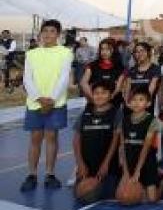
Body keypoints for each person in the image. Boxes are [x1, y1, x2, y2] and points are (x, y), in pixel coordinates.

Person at [20, 19, 73, 192]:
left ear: (58, 34)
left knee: (51, 137)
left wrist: (51, 99)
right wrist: (38, 98)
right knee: (35, 138)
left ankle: (50, 174)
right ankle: (32, 174)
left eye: (52, 31)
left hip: (56, 103)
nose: (48, 34)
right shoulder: (32, 54)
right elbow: (27, 78)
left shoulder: (65, 52)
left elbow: (64, 77)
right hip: (35, 103)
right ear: (40, 33)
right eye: (45, 31)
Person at [73, 80, 121, 195]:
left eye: (103, 93)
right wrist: (80, 164)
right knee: (82, 194)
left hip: (108, 166)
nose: (99, 96)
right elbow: (76, 140)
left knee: (107, 193)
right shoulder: (84, 114)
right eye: (96, 93)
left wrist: (106, 163)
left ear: (110, 95)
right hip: (87, 166)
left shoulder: (117, 113)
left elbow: (116, 140)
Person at [119, 87, 162, 202]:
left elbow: (146, 147)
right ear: (129, 102)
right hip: (130, 161)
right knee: (123, 197)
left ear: (148, 103)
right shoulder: (124, 120)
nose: (136, 103)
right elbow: (122, 147)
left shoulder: (153, 121)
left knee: (152, 199)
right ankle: (140, 186)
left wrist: (137, 171)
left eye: (141, 100)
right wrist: (126, 172)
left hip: (147, 163)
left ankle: (162, 183)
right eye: (133, 100)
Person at [80, 38, 125, 105]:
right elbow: (83, 83)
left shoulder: (120, 68)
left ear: (114, 50)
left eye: (107, 49)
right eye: (102, 49)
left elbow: (119, 88)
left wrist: (110, 97)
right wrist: (93, 98)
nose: (104, 52)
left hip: (114, 103)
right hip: (94, 103)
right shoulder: (92, 66)